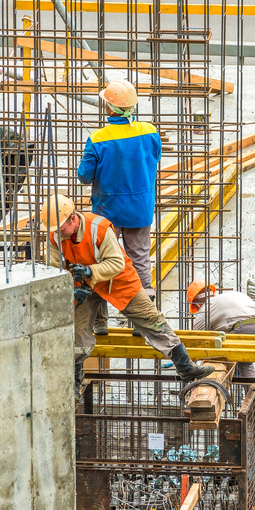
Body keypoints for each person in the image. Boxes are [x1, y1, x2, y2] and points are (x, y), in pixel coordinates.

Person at [41, 193, 211, 394]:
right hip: (85, 283)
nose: (59, 234)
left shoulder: (99, 228)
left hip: (117, 278)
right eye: (56, 230)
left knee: (151, 319)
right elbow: (54, 270)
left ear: (73, 218)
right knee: (76, 334)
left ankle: (186, 368)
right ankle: (73, 389)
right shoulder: (55, 235)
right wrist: (72, 289)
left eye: (62, 229)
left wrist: (90, 271)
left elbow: (116, 263)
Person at [77, 79, 160, 334]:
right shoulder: (149, 131)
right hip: (140, 209)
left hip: (108, 211)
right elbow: (154, 159)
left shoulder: (98, 138)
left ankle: (99, 322)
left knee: (101, 259)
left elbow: (84, 175)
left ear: (109, 107)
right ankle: (142, 321)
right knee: (140, 259)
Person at [188, 281, 255, 380]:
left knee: (244, 363)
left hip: (246, 329)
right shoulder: (232, 295)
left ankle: (252, 393)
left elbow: (194, 338)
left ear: (197, 304)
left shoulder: (206, 308)